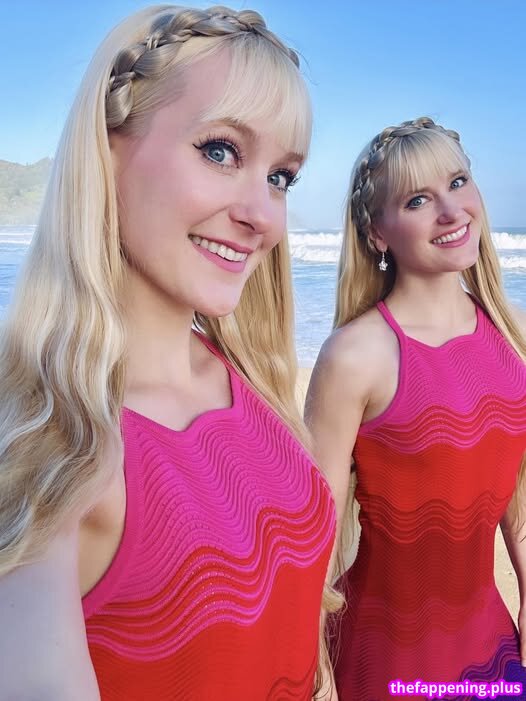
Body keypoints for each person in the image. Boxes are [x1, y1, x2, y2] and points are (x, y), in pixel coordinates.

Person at [0, 6, 337, 700]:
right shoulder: (60, 452)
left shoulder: (250, 378)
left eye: (281, 176)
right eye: (220, 151)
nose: (263, 216)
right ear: (107, 151)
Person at [305, 117, 526, 700]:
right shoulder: (355, 356)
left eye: (457, 182)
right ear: (377, 232)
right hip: (388, 654)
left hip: (491, 643)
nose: (452, 212)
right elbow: (316, 526)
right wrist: (305, 653)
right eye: (418, 200)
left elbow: (517, 492)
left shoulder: (513, 336)